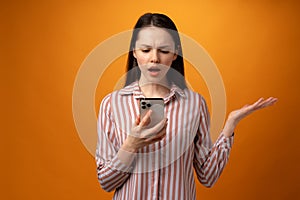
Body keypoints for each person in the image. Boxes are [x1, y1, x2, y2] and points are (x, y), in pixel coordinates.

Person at [95, 13, 277, 200]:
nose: (154, 58)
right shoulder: (112, 104)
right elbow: (106, 182)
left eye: (164, 51)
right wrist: (131, 144)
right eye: (146, 49)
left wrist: (230, 126)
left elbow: (207, 176)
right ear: (134, 51)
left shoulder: (195, 104)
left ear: (175, 53)